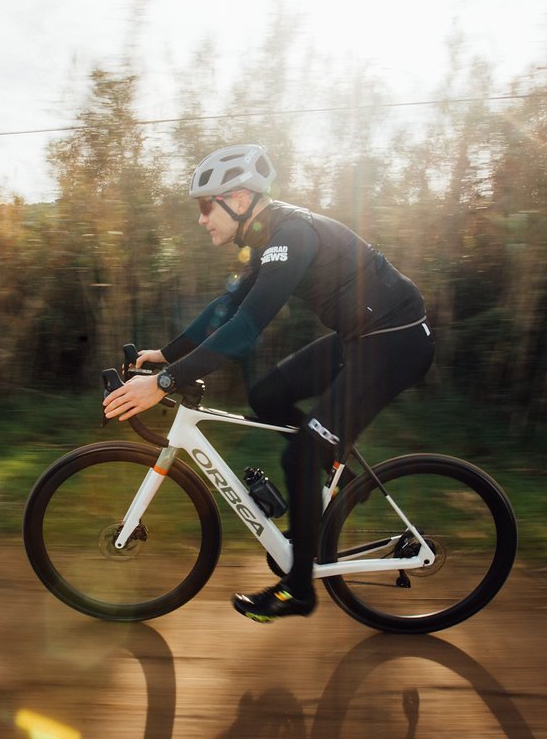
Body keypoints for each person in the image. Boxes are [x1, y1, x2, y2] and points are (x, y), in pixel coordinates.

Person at [102, 144, 434, 622]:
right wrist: (167, 355)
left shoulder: (290, 235)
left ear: (237, 199)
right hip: (363, 338)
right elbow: (228, 306)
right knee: (267, 396)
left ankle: (298, 588)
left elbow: (245, 329)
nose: (201, 219)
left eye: (204, 207)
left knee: (297, 452)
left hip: (395, 345)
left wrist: (166, 382)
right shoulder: (267, 236)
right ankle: (330, 476)